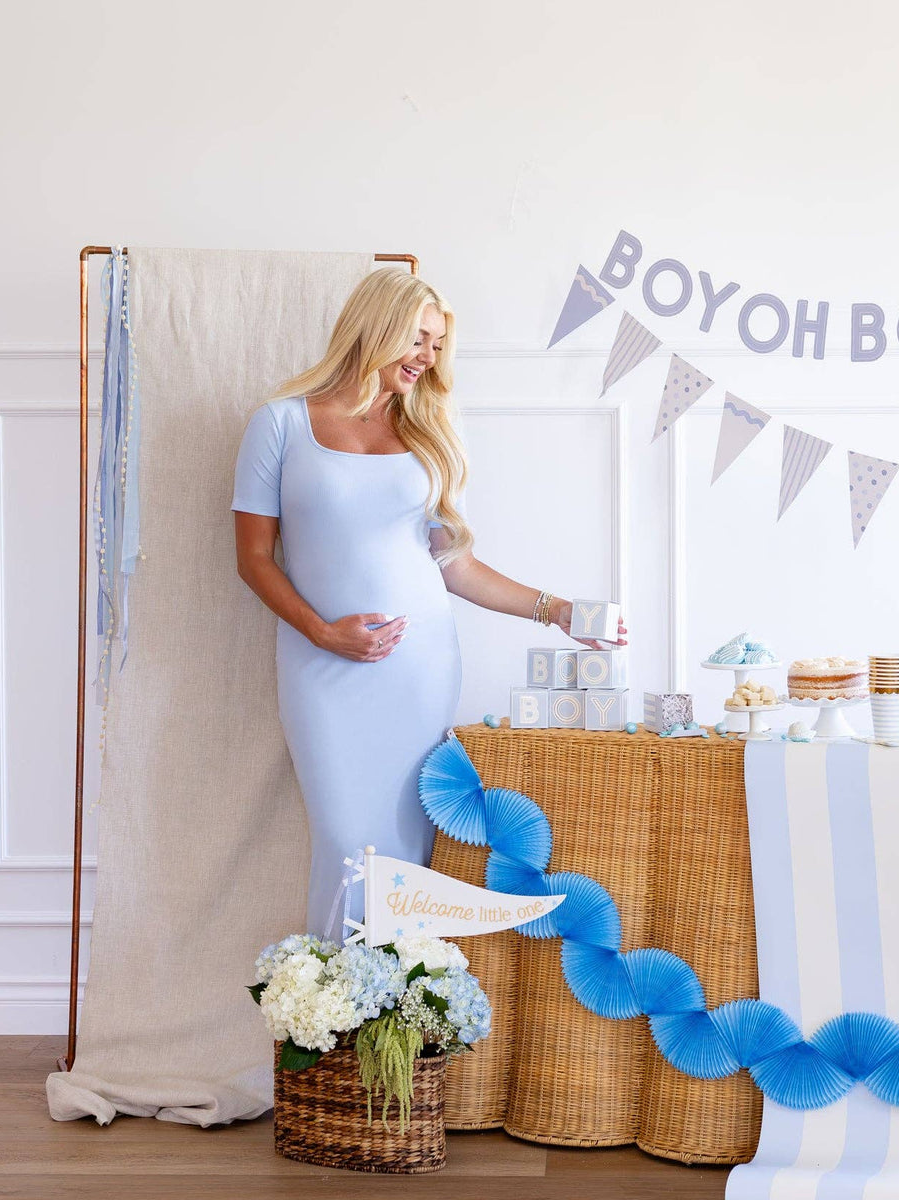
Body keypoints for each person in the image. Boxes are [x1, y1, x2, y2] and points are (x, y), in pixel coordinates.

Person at [230, 266, 626, 942]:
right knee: (347, 840)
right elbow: (254, 559)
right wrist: (323, 633)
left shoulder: (431, 430)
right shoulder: (280, 423)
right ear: (373, 328)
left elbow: (456, 568)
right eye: (416, 339)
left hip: (420, 669)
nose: (427, 358)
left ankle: (399, 1026)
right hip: (319, 669)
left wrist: (555, 609)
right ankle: (335, 1017)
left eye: (437, 345)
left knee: (408, 847)